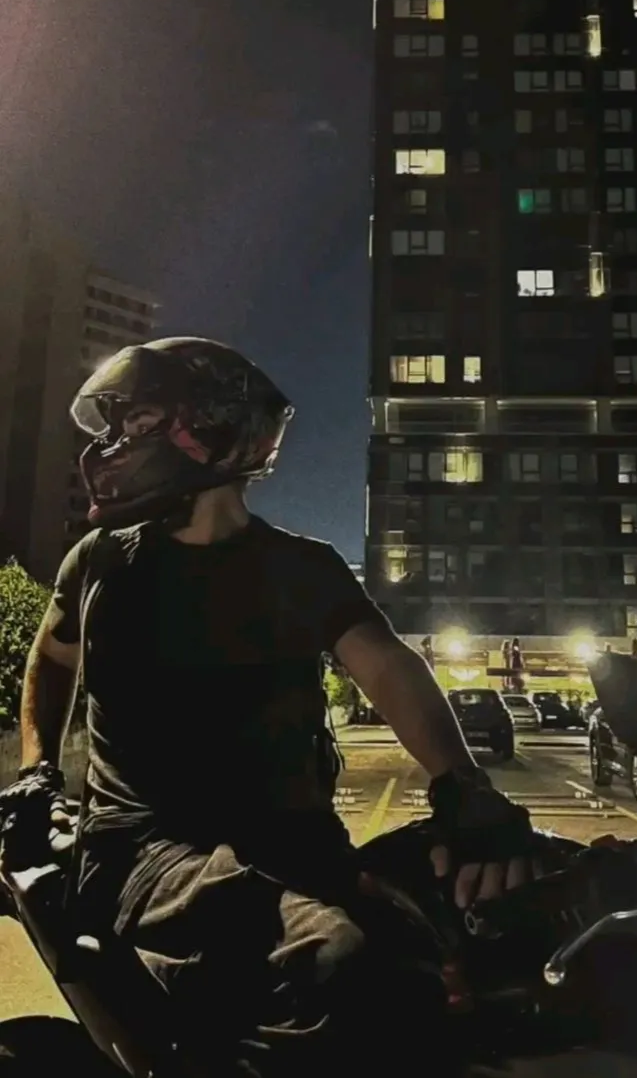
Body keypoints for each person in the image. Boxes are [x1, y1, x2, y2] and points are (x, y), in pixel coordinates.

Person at [2, 337, 534, 1078]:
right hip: (146, 852)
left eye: (139, 421)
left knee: (474, 946)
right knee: (339, 961)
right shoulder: (102, 561)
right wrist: (37, 771)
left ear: (211, 431)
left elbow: (387, 667)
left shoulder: (301, 568)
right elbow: (52, 656)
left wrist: (461, 785)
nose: (114, 444)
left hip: (295, 843)